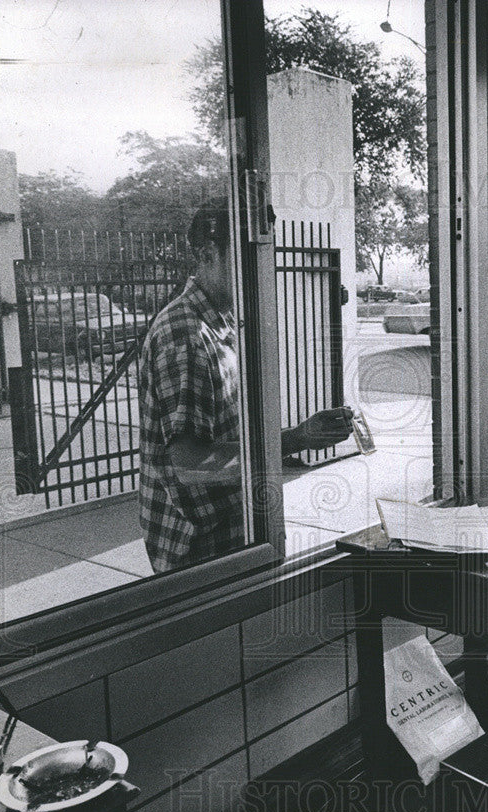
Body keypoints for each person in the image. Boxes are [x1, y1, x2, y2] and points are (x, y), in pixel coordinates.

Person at [139, 201, 353, 573]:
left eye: (263, 256)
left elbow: (228, 432)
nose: (260, 270)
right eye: (247, 257)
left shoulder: (223, 320)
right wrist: (297, 439)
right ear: (208, 254)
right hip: (199, 542)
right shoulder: (185, 335)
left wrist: (298, 435)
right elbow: (191, 465)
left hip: (233, 524)